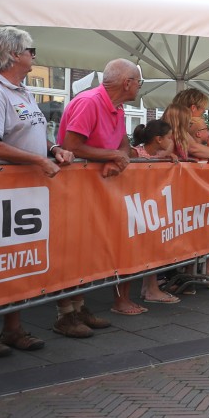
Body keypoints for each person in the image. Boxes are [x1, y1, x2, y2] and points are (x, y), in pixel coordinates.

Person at [0, 26, 74, 355]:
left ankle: (13, 328)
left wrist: (53, 150)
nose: (34, 55)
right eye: (30, 50)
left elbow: (33, 133)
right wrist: (37, 159)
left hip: (25, 193)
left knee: (19, 260)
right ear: (11, 54)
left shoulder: (22, 90)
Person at [57, 58, 143, 320]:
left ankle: (79, 307)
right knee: (73, 249)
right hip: (73, 189)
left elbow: (123, 143)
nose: (139, 87)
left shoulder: (116, 107)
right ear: (127, 83)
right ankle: (65, 313)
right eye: (139, 82)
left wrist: (119, 159)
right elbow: (71, 146)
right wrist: (113, 157)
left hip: (94, 190)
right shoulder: (90, 102)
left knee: (88, 249)